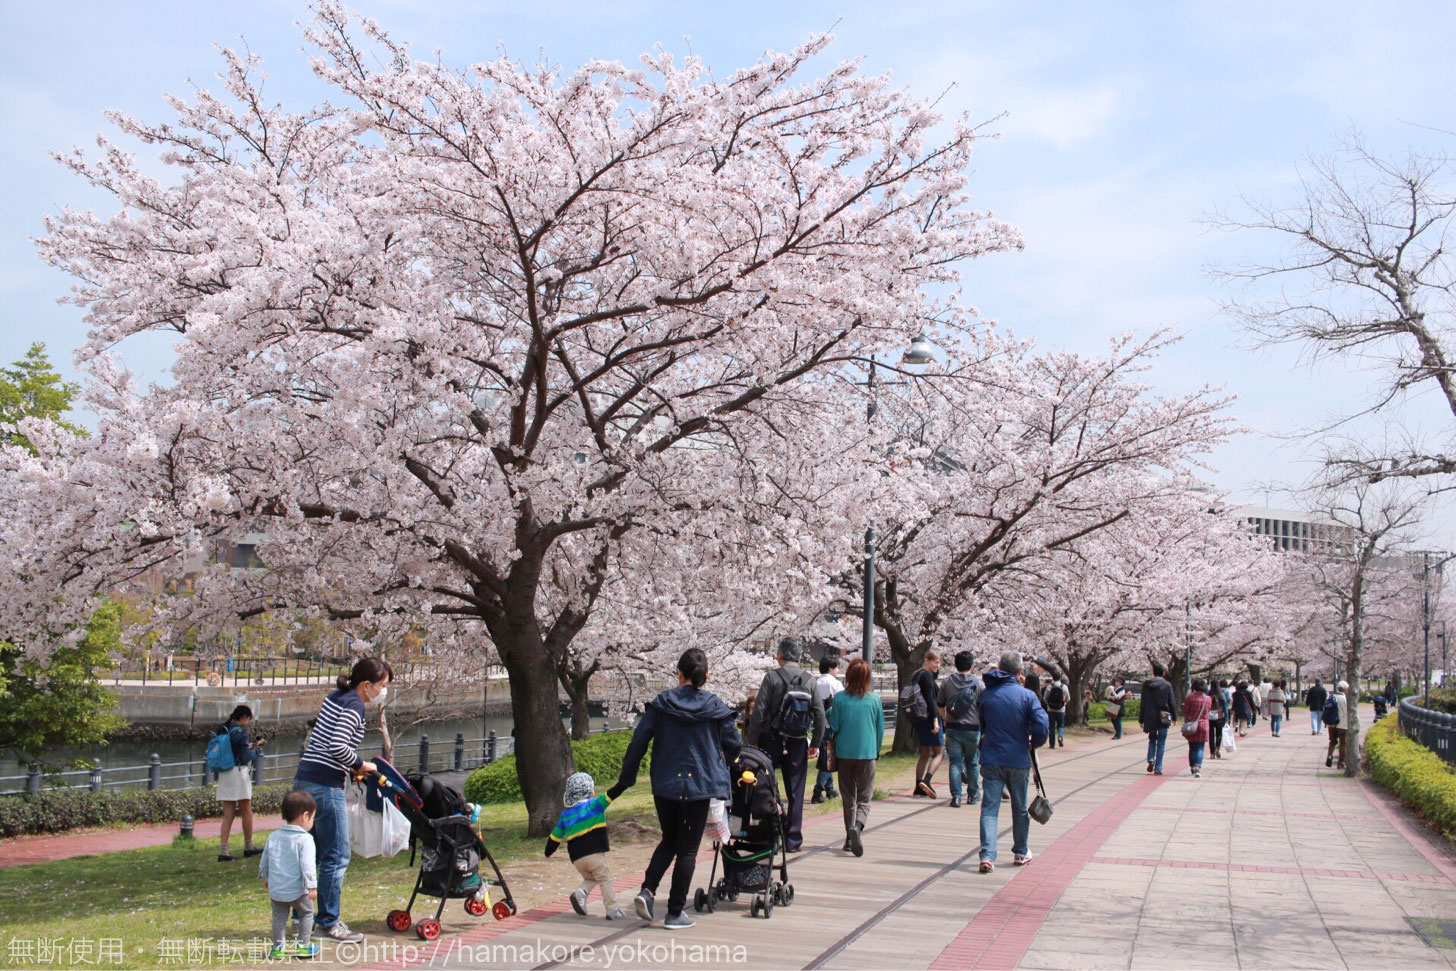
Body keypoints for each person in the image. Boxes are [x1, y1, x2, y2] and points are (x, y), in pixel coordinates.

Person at [617, 648, 741, 929]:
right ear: (706, 677)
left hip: (665, 784)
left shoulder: (662, 705)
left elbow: (638, 742)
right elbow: (734, 743)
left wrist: (627, 778)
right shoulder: (715, 707)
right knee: (687, 849)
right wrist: (727, 761)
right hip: (699, 785)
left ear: (679, 673)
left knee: (669, 839)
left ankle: (647, 891)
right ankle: (674, 912)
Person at [292, 657, 392, 943]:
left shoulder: (337, 696)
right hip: (325, 786)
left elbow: (324, 742)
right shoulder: (354, 705)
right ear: (367, 685)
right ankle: (327, 922)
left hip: (304, 779)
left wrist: (350, 767)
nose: (383, 692)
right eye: (382, 686)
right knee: (336, 855)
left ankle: (304, 919)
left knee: (310, 853)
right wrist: (361, 764)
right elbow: (337, 745)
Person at [746, 638, 825, 852]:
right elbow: (819, 715)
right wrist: (815, 742)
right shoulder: (810, 680)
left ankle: (770, 834)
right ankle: (793, 839)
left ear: (780, 655)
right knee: (796, 791)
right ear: (799, 657)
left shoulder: (772, 677)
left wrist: (752, 742)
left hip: (770, 739)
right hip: (798, 742)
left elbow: (759, 711)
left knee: (766, 785)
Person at [976, 652, 1049, 872]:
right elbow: (1042, 725)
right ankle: (1020, 851)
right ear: (1020, 672)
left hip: (992, 757)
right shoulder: (1027, 696)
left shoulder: (987, 695)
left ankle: (987, 855)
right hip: (1018, 758)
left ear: (999, 667)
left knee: (990, 808)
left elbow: (983, 725)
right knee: (1019, 808)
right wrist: (1033, 742)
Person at [545, 772, 626, 920]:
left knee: (592, 878)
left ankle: (580, 893)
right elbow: (613, 793)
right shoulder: (595, 805)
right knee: (604, 879)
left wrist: (548, 852)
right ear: (591, 791)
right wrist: (624, 783)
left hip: (577, 859)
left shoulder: (565, 815)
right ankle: (612, 909)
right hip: (594, 853)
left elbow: (554, 837)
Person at [828, 658, 885, 856]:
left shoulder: (840, 699)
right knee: (865, 797)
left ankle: (848, 837)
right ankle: (858, 828)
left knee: (848, 797)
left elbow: (834, 726)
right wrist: (876, 751)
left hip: (845, 753)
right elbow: (880, 730)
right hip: (867, 753)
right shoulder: (875, 700)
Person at [259, 789, 320, 960]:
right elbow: (308, 865)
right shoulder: (305, 839)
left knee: (279, 917)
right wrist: (312, 885)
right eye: (313, 818)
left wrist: (265, 876)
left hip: (277, 889)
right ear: (305, 816)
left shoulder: (274, 836)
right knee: (307, 914)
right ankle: (303, 946)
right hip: (299, 890)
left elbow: (265, 858)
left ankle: (278, 948)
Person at [216, 704, 267, 862]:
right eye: (248, 719)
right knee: (246, 810)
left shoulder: (225, 729)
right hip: (239, 773)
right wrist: (257, 750)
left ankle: (223, 850)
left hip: (225, 773)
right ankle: (248, 846)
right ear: (244, 718)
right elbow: (245, 756)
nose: (248, 722)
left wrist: (251, 746)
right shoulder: (241, 732)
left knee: (228, 814)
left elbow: (236, 750)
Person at [937, 651, 983, 808]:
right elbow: (983, 707)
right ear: (971, 665)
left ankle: (956, 797)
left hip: (953, 728)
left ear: (955, 664)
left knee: (955, 763)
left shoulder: (947, 682)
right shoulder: (978, 683)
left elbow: (940, 704)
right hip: (972, 728)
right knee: (972, 762)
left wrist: (945, 719)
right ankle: (973, 794)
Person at [906, 651, 944, 798]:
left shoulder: (916, 675)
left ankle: (918, 787)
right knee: (940, 752)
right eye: (936, 662)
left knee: (924, 754)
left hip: (919, 719)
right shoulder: (927, 676)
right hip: (929, 718)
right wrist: (936, 720)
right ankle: (927, 781)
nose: (938, 665)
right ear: (927, 660)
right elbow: (931, 700)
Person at [812, 656, 844, 804]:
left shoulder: (815, 683)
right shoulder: (835, 684)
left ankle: (830, 788)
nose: (838, 670)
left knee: (826, 754)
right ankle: (818, 791)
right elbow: (842, 704)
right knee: (828, 757)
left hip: (818, 724)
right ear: (831, 668)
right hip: (831, 724)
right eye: (836, 667)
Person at [1139, 662, 1177, 775]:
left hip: (1150, 716)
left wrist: (1141, 719)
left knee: (1152, 739)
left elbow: (1143, 702)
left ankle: (1151, 759)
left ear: (1153, 672)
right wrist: (1174, 716)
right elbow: (1171, 702)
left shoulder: (1147, 684)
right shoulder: (1167, 685)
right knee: (1161, 742)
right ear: (1163, 673)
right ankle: (1158, 767)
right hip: (1164, 715)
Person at [1181, 679, 1212, 778]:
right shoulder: (1208, 699)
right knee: (1200, 747)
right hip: (1203, 725)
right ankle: (1197, 767)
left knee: (1192, 747)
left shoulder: (1190, 697)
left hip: (1191, 725)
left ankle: (1192, 766)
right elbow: (1208, 710)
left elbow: (1185, 710)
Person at [1325, 680, 1350, 770]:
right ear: (1344, 689)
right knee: (1343, 744)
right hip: (1342, 724)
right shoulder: (1344, 699)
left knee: (1332, 741)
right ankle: (1341, 763)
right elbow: (1346, 712)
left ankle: (1329, 755)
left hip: (1331, 724)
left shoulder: (1331, 696)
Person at [1043, 676, 1068, 749]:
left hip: (1051, 710)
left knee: (1051, 726)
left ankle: (1052, 744)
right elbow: (1068, 698)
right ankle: (1060, 736)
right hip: (1061, 710)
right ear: (1060, 679)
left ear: (1053, 679)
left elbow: (1045, 698)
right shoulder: (1064, 687)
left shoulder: (1049, 687)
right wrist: (1064, 704)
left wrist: (1049, 704)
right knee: (1061, 725)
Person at [1206, 677, 1228, 759]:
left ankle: (1212, 753)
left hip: (1209, 716)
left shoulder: (1208, 694)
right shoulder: (1221, 694)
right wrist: (1227, 717)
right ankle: (1217, 748)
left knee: (1211, 735)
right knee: (1219, 734)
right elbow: (1225, 706)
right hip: (1219, 716)